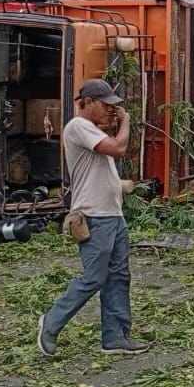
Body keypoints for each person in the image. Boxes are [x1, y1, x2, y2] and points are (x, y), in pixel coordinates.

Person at [38, 79, 150, 357]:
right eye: (106, 105)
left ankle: (115, 337)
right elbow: (118, 148)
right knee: (95, 278)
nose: (111, 111)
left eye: (114, 107)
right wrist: (126, 123)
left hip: (113, 215)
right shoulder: (78, 126)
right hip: (93, 215)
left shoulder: (92, 129)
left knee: (119, 277)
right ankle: (51, 323)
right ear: (86, 103)